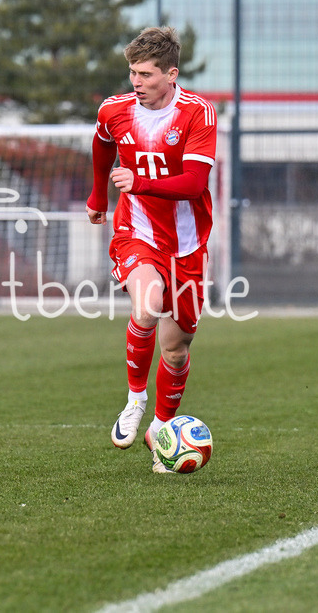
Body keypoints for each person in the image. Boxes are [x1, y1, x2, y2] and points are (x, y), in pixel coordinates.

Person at [85, 27, 217, 473]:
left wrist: (138, 182)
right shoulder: (115, 110)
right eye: (132, 72)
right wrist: (98, 197)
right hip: (136, 231)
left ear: (171, 74)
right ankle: (135, 400)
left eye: (145, 74)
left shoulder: (197, 113)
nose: (136, 81)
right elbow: (102, 144)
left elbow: (194, 184)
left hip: (187, 245)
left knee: (176, 350)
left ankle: (161, 428)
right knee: (147, 305)